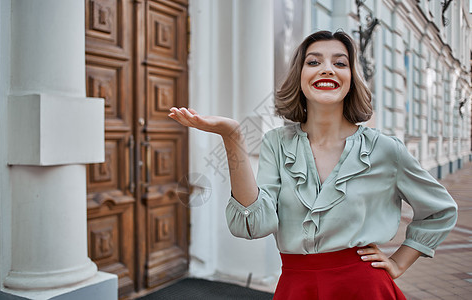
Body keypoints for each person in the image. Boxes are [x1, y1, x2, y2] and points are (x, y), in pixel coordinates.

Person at [168, 30, 458, 299]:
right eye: (314, 61)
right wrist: (232, 136)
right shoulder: (277, 143)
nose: (327, 68)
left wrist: (399, 261)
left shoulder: (384, 149)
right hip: (297, 286)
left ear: (352, 78)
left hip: (364, 287)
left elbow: (440, 209)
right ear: (301, 76)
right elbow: (254, 225)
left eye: (340, 63)